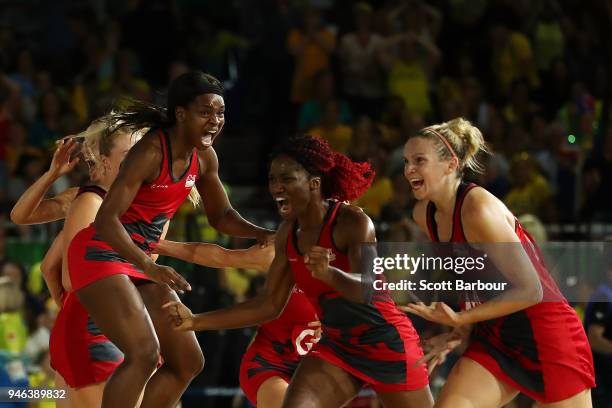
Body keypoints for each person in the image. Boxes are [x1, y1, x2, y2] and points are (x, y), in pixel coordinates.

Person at [164, 135, 433, 408]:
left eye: (287, 179)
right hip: (338, 345)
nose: (276, 187)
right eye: (272, 179)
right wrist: (196, 321)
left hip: (385, 342)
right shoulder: (287, 235)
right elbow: (268, 305)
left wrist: (330, 275)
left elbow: (367, 287)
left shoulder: (352, 222)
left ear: (314, 183)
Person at [67, 71, 274, 408]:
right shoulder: (150, 152)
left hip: (138, 261)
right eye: (205, 112)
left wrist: (266, 232)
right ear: (181, 114)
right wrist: (150, 266)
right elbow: (106, 220)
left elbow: (221, 217)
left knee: (188, 361)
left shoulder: (205, 158)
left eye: (220, 113)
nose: (215, 121)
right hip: (101, 253)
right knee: (144, 354)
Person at [401, 118, 594, 407]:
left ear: (451, 165)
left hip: (546, 335)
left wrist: (461, 318)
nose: (408, 170)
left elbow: (531, 290)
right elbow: (470, 277)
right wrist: (460, 330)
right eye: (406, 162)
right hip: (495, 336)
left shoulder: (478, 208)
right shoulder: (423, 214)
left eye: (419, 160)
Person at [155, 239, 320, 408]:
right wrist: (152, 244)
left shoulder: (347, 266)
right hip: (272, 364)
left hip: (323, 368)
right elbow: (222, 257)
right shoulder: (284, 253)